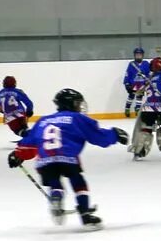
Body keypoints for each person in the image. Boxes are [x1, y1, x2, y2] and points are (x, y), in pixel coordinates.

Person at [9, 88, 127, 228]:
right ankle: (85, 215)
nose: (79, 106)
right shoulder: (77, 118)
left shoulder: (43, 121)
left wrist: (17, 154)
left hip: (45, 160)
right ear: (70, 104)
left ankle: (56, 197)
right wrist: (115, 134)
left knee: (55, 182)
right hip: (68, 158)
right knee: (78, 182)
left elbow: (30, 141)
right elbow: (97, 136)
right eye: (77, 103)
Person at [130, 56, 161, 160]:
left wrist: (140, 79)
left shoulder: (146, 77)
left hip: (149, 108)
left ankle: (139, 151)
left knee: (146, 128)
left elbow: (136, 90)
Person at [123, 48, 150, 118]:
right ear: (134, 55)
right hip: (133, 84)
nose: (138, 56)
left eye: (140, 55)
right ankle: (127, 108)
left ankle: (137, 109)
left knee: (139, 97)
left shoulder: (146, 64)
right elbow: (127, 74)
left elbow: (148, 74)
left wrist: (148, 80)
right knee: (131, 96)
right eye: (137, 55)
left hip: (142, 85)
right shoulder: (131, 64)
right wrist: (127, 83)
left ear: (142, 56)